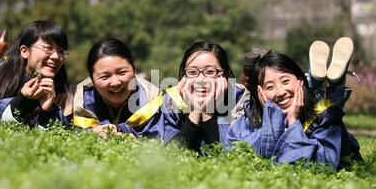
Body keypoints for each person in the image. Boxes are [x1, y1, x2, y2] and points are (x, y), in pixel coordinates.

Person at [226, 51, 360, 169]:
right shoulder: (252, 116)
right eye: (270, 87)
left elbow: (324, 165)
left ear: (300, 81)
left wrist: (293, 122)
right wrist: (272, 119)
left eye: (285, 81)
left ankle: (335, 85)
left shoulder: (324, 114)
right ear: (260, 92)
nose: (280, 92)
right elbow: (233, 151)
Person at [120, 40, 249, 152]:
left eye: (210, 72)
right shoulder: (171, 102)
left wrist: (208, 113)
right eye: (192, 72)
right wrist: (195, 112)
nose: (201, 79)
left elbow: (228, 155)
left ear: (224, 74)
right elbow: (173, 155)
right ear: (183, 77)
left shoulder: (241, 101)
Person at [0, 20, 72, 127]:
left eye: (61, 51)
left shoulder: (63, 92)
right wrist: (20, 103)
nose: (56, 56)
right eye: (48, 48)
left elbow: (63, 139)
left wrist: (47, 112)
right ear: (24, 51)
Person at [72, 38, 159, 138]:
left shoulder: (152, 99)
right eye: (105, 77)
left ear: (134, 70)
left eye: (122, 73)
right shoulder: (80, 101)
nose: (115, 83)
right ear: (92, 79)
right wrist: (91, 134)